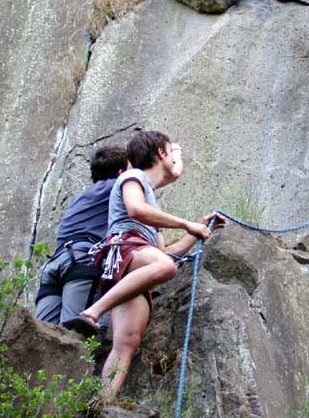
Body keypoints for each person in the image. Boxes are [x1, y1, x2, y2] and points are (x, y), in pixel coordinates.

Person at [69, 130, 226, 400]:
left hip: (135, 264)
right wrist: (184, 223)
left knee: (126, 343)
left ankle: (100, 405)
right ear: (162, 153)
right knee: (165, 268)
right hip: (124, 249)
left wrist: (197, 229)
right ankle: (93, 312)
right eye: (170, 151)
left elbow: (165, 252)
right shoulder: (133, 177)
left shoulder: (152, 201)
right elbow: (135, 209)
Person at [34, 146, 128, 328]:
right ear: (121, 172)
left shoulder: (81, 198)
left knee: (41, 336)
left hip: (55, 265)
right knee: (72, 336)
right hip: (81, 260)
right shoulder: (118, 186)